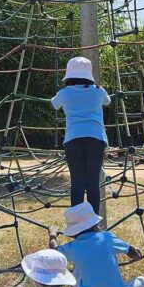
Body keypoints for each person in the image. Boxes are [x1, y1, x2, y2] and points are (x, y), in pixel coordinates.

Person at [51, 56, 111, 214]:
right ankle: (94, 222)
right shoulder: (98, 91)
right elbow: (108, 101)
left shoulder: (64, 93)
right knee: (92, 183)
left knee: (77, 183)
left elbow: (54, 104)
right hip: (96, 138)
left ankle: (77, 223)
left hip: (73, 139)